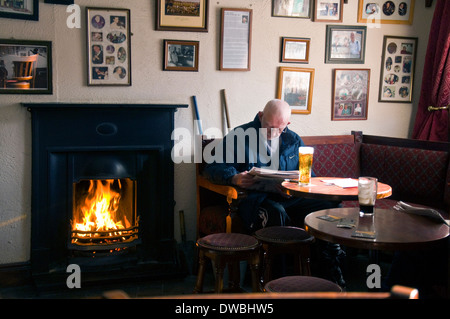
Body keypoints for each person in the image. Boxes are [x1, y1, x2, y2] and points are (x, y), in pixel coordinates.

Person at [203, 99, 346, 285]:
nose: (272, 133)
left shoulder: (293, 139)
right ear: (260, 116)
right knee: (275, 213)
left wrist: (295, 187)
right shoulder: (239, 136)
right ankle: (276, 281)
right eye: (268, 127)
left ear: (287, 124)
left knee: (330, 206)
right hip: (257, 200)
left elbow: (308, 176)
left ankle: (329, 275)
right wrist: (234, 178)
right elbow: (212, 168)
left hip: (289, 197)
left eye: (278, 129)